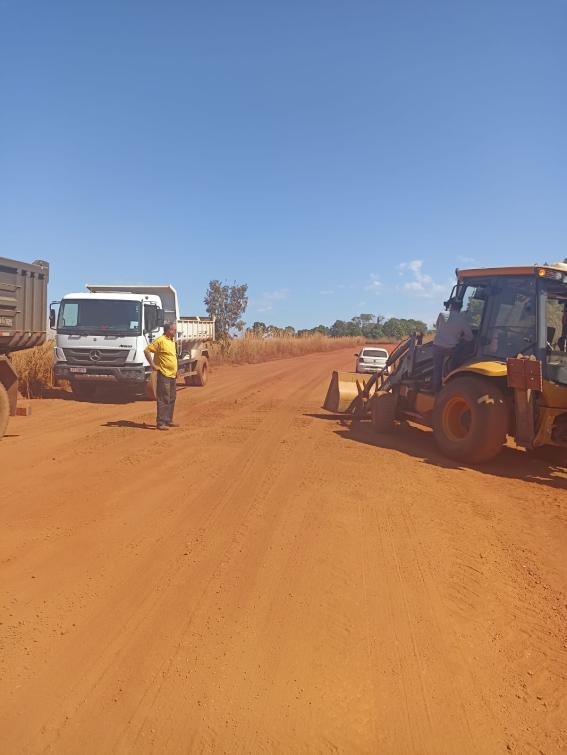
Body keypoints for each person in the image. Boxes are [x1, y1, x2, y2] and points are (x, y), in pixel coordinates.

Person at [432, 301, 474, 393]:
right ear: (460, 308)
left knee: (437, 369)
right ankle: (451, 384)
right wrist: (460, 337)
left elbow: (438, 327)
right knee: (455, 365)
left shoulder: (442, 314)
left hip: (437, 347)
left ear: (451, 306)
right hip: (450, 350)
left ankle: (436, 390)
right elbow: (470, 337)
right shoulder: (462, 320)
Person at [144, 322, 179, 430]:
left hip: (172, 374)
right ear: (168, 330)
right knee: (164, 397)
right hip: (163, 374)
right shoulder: (160, 340)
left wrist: (176, 371)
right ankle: (161, 422)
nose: (175, 331)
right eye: (174, 329)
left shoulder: (172, 341)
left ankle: (168, 420)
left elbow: (172, 357)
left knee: (172, 397)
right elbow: (147, 350)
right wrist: (153, 365)